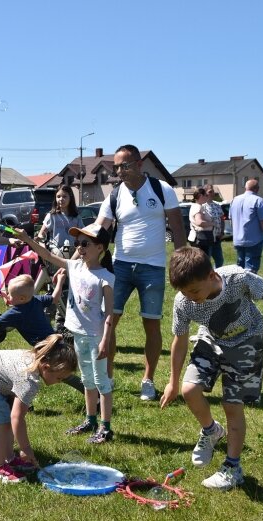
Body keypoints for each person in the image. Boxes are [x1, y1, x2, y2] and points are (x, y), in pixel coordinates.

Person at [161, 246, 263, 490]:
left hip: (246, 341)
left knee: (232, 406)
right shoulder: (184, 302)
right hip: (211, 341)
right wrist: (172, 381)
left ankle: (233, 468)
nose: (190, 297)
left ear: (211, 276)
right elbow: (179, 341)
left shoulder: (235, 278)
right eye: (184, 292)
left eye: (194, 291)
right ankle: (211, 431)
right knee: (189, 389)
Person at [94, 144, 186, 401]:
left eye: (123, 165)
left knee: (152, 324)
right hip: (120, 266)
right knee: (109, 324)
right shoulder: (114, 196)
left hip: (153, 268)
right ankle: (108, 378)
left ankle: (148, 380)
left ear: (138, 165)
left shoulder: (161, 189)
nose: (118, 171)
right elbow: (100, 229)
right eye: (116, 167)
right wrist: (83, 250)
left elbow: (177, 227)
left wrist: (181, 264)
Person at [17, 224, 115, 443]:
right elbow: (47, 255)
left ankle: (105, 427)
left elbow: (109, 315)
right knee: (88, 379)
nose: (79, 247)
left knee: (102, 382)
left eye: (84, 243)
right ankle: (90, 420)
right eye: (77, 243)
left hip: (96, 336)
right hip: (79, 334)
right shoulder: (74, 266)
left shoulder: (105, 277)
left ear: (100, 247)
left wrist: (105, 342)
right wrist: (27, 239)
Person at [0, 334, 77, 483]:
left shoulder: (33, 359)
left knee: (6, 417)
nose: (60, 382)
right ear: (45, 367)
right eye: (59, 378)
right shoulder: (29, 380)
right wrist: (25, 448)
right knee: (3, 421)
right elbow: (17, 417)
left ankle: (9, 459)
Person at [34, 185, 82, 324]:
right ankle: (50, 318)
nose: (61, 199)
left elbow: (82, 235)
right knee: (56, 286)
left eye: (65, 196)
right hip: (55, 256)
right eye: (58, 196)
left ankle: (61, 320)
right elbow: (42, 233)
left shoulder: (76, 218)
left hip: (72, 257)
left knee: (66, 288)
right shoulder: (52, 216)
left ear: (71, 198)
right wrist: (40, 240)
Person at [229, 179, 263, 273]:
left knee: (240, 268)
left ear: (245, 187)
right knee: (250, 270)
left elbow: (232, 220)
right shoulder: (259, 201)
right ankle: (248, 287)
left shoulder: (234, 200)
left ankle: (239, 286)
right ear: (257, 189)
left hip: (238, 240)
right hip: (253, 241)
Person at [189, 187, 215, 258]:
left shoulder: (196, 206)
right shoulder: (198, 207)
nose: (207, 197)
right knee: (203, 262)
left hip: (200, 238)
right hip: (201, 239)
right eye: (206, 195)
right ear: (201, 196)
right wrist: (212, 223)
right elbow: (199, 222)